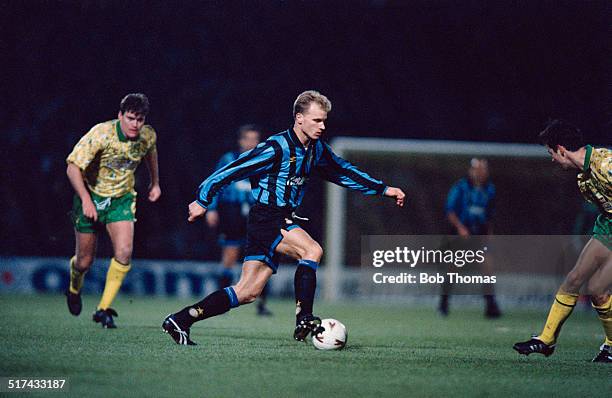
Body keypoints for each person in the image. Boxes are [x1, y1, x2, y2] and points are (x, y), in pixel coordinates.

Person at [162, 90, 405, 345]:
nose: (322, 126)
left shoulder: (317, 150)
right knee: (312, 250)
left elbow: (342, 171)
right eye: (316, 120)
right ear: (299, 118)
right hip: (267, 216)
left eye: (324, 121)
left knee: (247, 292)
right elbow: (232, 170)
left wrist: (383, 189)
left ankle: (181, 319)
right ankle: (304, 317)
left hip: (274, 219)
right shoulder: (275, 147)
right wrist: (203, 199)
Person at [513, 119, 611, 363]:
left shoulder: (607, 165)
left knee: (598, 288)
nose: (551, 159)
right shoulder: (584, 180)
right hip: (609, 225)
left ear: (561, 150)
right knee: (575, 279)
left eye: (550, 153)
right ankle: (546, 340)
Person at [65, 93, 161, 328]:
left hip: (121, 199)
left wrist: (155, 182)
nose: (135, 124)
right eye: (130, 118)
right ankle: (74, 288)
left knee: (125, 252)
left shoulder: (147, 135)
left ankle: (103, 308)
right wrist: (86, 200)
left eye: (139, 119)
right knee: (84, 262)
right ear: (120, 116)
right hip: (91, 197)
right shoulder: (101, 133)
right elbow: (72, 167)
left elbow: (151, 152)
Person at [205, 124, 272, 316]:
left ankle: (262, 304)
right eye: (247, 139)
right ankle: (220, 304)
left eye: (254, 139)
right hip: (232, 212)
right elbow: (216, 181)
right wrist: (211, 208)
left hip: (256, 212)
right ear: (240, 141)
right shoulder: (229, 159)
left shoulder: (265, 160)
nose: (251, 143)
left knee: (262, 257)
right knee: (230, 255)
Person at [438, 158, 501, 318]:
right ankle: (443, 303)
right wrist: (460, 228)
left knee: (487, 266)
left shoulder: (490, 189)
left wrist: (489, 232)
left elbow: (489, 215)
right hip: (461, 235)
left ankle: (490, 305)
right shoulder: (460, 187)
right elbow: (450, 211)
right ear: (471, 171)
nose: (481, 173)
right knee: (453, 268)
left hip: (478, 234)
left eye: (483, 169)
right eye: (477, 169)